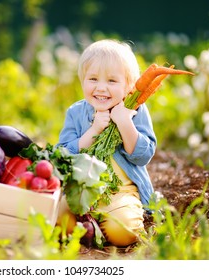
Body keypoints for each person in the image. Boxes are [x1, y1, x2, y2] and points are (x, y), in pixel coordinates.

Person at [56, 39, 156, 247]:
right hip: (81, 190)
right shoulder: (76, 112)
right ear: (82, 81)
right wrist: (93, 131)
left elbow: (143, 155)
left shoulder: (135, 111)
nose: (101, 88)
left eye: (112, 81)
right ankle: (90, 225)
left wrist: (124, 122)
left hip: (120, 192)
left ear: (128, 86)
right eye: (93, 79)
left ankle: (102, 225)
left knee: (124, 231)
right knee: (56, 219)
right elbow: (61, 155)